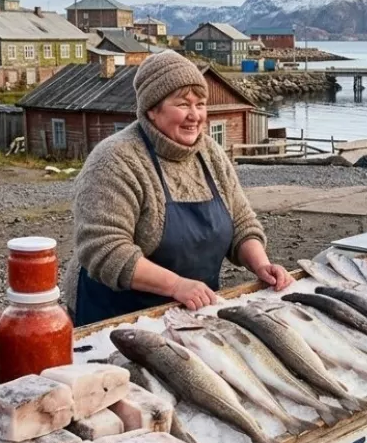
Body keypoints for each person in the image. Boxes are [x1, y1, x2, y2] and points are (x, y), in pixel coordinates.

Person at [65, 51, 293, 326]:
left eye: (201, 104)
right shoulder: (115, 160)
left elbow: (242, 223)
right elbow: (104, 250)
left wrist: (261, 265)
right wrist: (176, 286)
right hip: (117, 319)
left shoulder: (211, 154)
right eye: (183, 104)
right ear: (152, 109)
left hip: (191, 311)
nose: (195, 116)